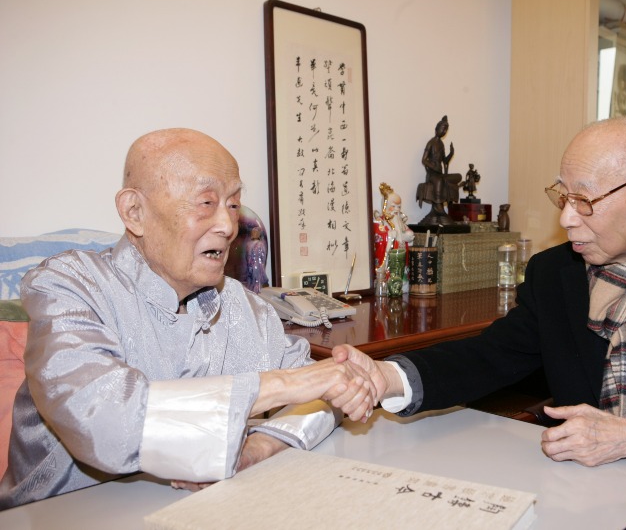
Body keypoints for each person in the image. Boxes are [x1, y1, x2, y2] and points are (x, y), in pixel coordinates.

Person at [335, 118, 626, 526]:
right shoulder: (554, 273)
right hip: (575, 499)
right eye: (563, 195)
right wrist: (388, 377)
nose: (566, 218)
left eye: (584, 200)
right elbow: (490, 354)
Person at [0, 128, 376, 509]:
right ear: (135, 212)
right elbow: (104, 419)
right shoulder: (70, 285)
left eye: (233, 204)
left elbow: (325, 394)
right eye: (206, 202)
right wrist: (280, 384)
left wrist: (260, 448)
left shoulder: (247, 309)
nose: (228, 227)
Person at [415, 115, 462, 225]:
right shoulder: (431, 142)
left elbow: (444, 161)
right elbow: (424, 160)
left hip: (440, 174)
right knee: (440, 180)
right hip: (432, 175)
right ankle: (438, 206)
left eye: (446, 129)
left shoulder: (441, 144)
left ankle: (441, 206)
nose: (444, 131)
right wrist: (433, 166)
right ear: (436, 129)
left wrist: (451, 153)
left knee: (458, 176)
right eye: (443, 128)